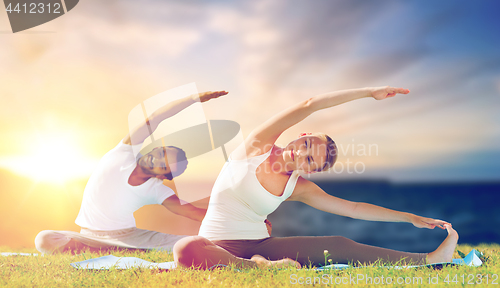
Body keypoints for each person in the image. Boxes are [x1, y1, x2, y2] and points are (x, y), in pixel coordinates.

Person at [173, 86, 459, 269]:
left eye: (310, 160)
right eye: (307, 144)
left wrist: (408, 217)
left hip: (260, 245)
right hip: (214, 244)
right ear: (302, 135)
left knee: (339, 244)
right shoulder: (255, 146)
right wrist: (369, 92)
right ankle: (260, 268)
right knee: (185, 248)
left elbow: (354, 209)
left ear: (310, 171)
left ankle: (431, 260)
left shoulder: (298, 186)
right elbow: (309, 104)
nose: (301, 153)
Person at [34, 90, 228, 254]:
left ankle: (118, 248)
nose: (155, 158)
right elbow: (155, 119)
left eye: (163, 164)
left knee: (193, 244)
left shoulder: (156, 189)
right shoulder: (124, 151)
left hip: (131, 236)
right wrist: (193, 99)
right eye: (160, 152)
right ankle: (106, 248)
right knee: (44, 239)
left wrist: (239, 219)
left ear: (162, 176)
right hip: (87, 235)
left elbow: (192, 212)